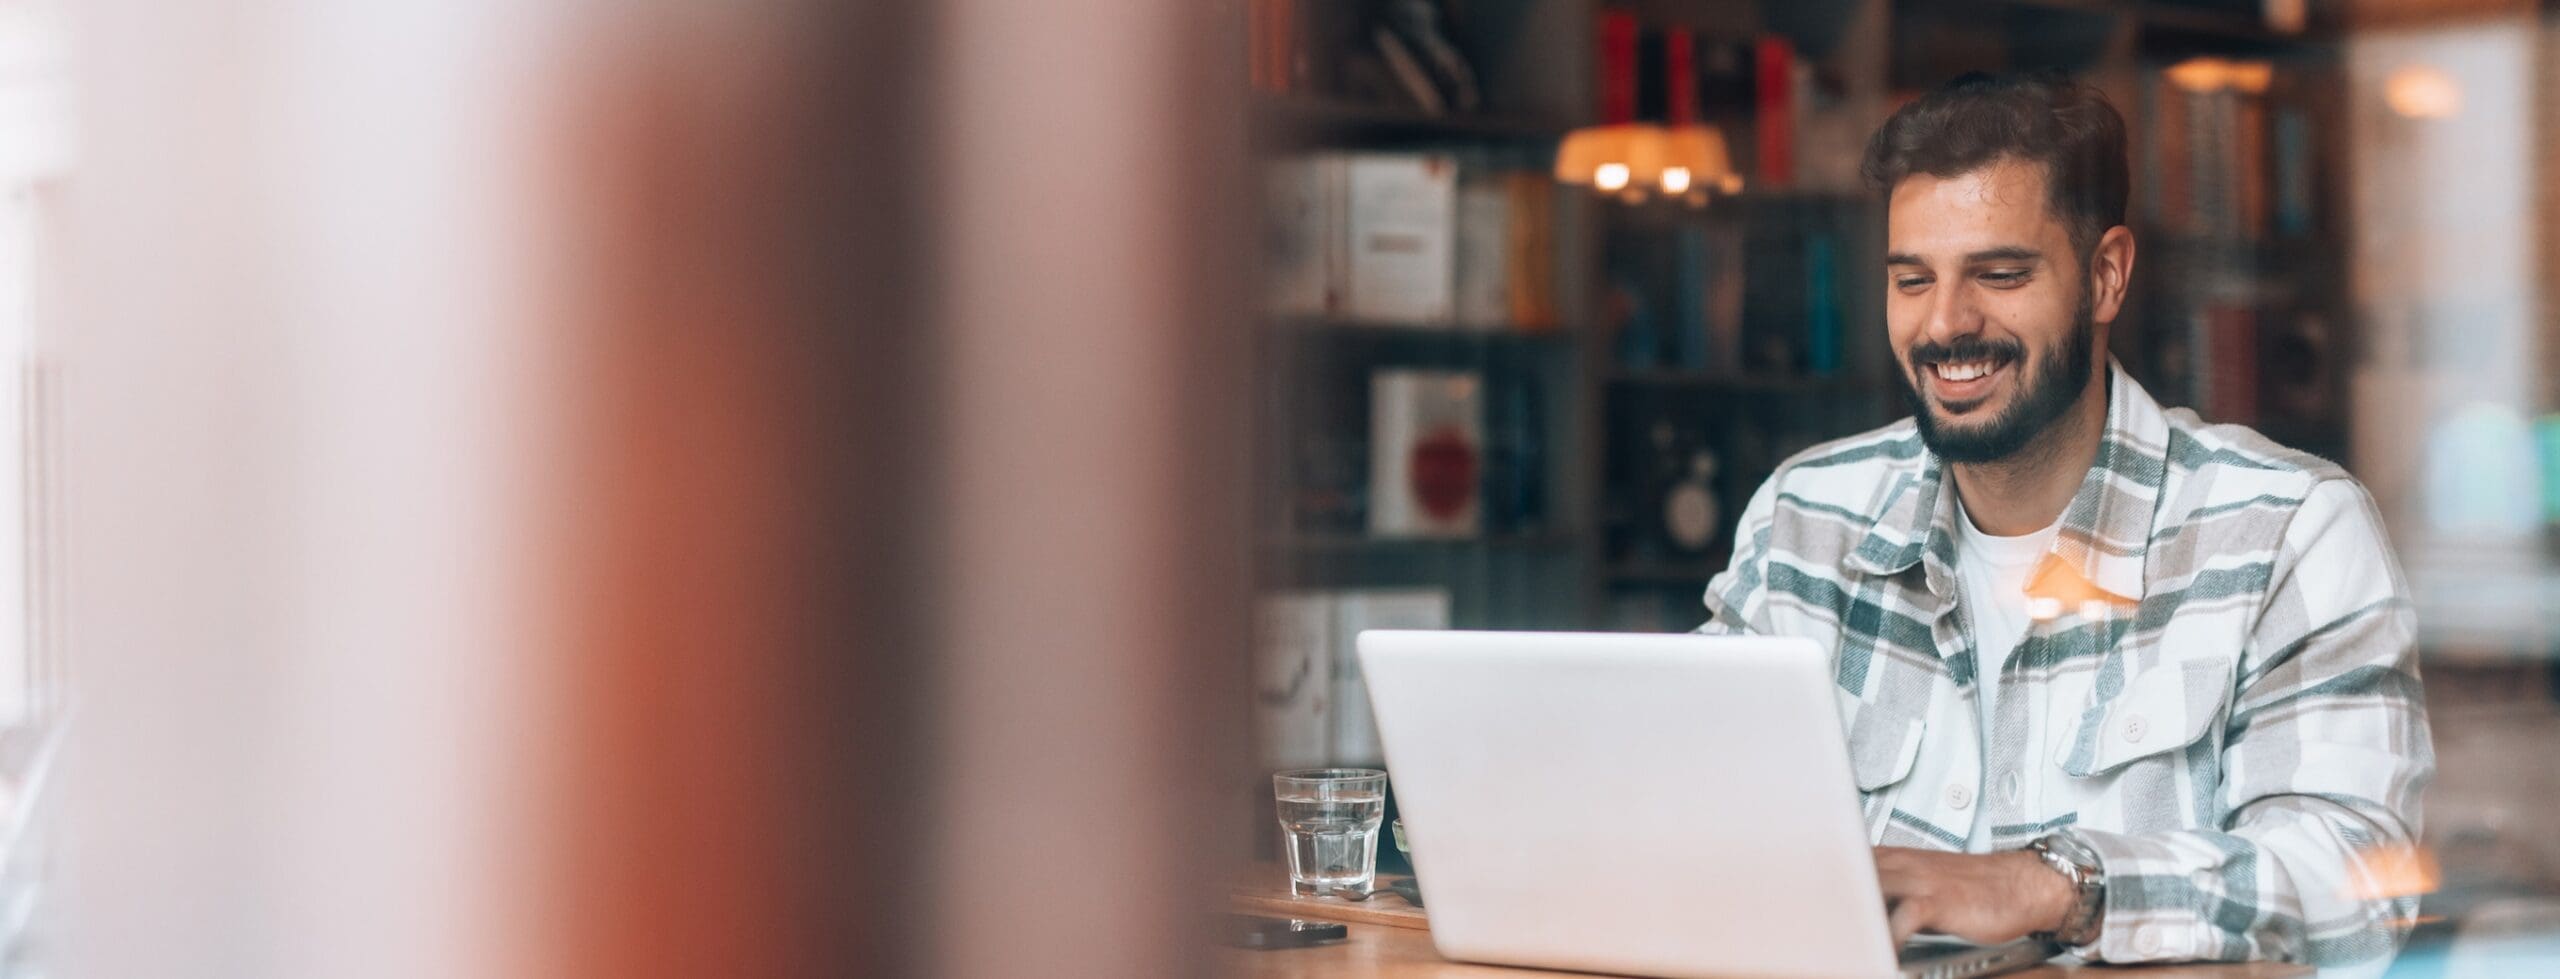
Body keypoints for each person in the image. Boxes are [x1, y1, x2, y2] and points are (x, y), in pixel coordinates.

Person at [1695, 72, 2432, 968]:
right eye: (1911, 278)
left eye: (1999, 275)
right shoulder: (1803, 521)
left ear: (2107, 275)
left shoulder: (2287, 532)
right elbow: (1690, 819)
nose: (1944, 324)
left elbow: (2356, 880)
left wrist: (2055, 885)